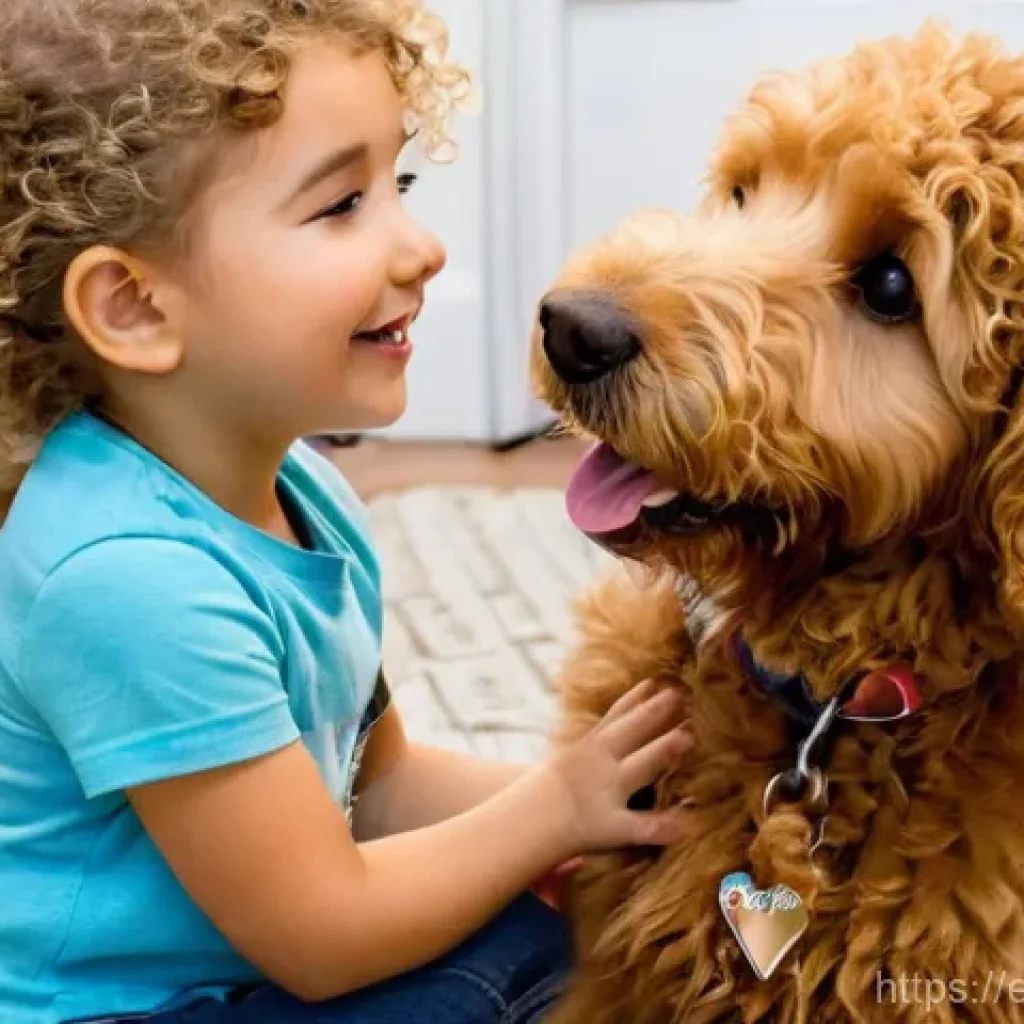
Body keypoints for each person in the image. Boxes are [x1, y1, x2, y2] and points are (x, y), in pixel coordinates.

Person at [0, 2, 693, 1022]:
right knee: (509, 979)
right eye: (340, 206)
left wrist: (595, 819)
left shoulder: (300, 486)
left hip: (239, 964)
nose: (422, 249)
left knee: (558, 922)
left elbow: (375, 788)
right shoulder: (123, 577)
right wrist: (547, 815)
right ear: (136, 308)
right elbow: (323, 935)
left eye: (398, 184)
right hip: (134, 1006)